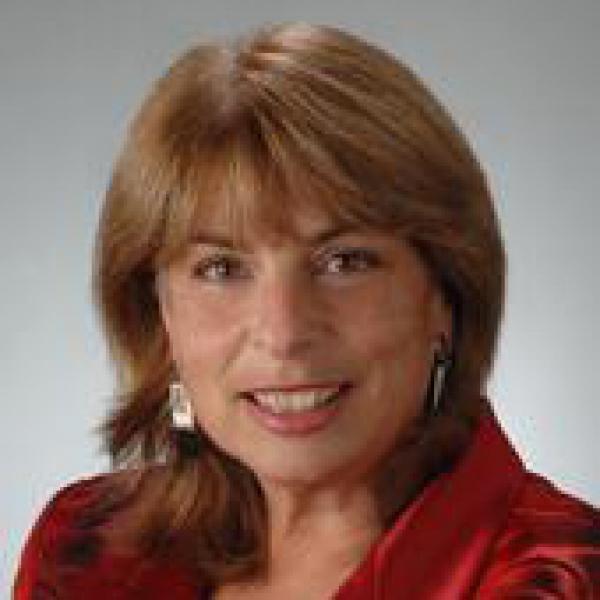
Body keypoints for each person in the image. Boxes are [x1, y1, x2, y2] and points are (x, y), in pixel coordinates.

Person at [13, 22, 599, 599]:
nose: (284, 332)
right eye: (221, 269)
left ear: (445, 297)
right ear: (159, 314)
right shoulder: (84, 555)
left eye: (344, 262)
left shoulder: (562, 580)